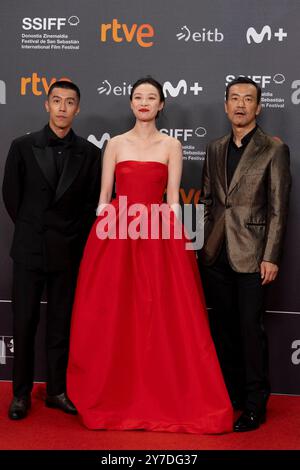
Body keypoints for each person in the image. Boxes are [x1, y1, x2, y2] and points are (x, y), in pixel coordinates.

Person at [67, 77, 233, 434]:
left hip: (158, 233)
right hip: (117, 232)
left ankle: (164, 395)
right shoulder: (114, 144)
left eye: (151, 97)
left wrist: (175, 243)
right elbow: (104, 196)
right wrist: (103, 229)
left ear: (161, 105)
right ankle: (113, 394)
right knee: (116, 311)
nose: (144, 102)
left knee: (162, 313)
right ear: (131, 104)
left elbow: (173, 199)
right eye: (138, 97)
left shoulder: (171, 145)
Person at [2, 80, 101, 420]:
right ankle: (20, 394)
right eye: (56, 100)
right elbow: (11, 197)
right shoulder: (23, 146)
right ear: (46, 105)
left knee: (61, 325)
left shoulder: (90, 153)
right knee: (24, 323)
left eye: (69, 102)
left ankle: (57, 390)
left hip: (68, 252)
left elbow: (92, 204)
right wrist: (33, 230)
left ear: (77, 108)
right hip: (30, 250)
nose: (62, 107)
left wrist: (68, 235)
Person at [200, 76, 291, 432]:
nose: (240, 104)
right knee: (223, 330)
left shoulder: (273, 148)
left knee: (250, 331)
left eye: (248, 99)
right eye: (234, 98)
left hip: (254, 256)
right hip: (216, 255)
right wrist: (207, 242)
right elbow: (208, 200)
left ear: (258, 106)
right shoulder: (214, 147)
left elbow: (279, 209)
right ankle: (232, 396)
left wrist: (271, 256)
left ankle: (255, 404)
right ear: (225, 105)